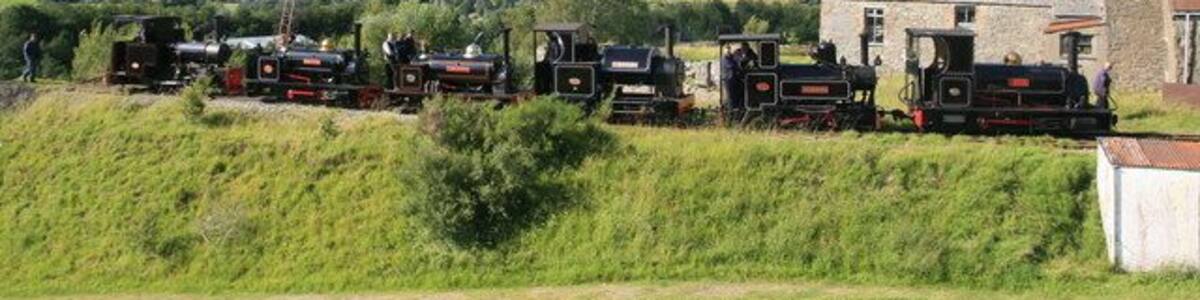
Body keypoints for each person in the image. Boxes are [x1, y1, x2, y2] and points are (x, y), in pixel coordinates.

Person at [721, 44, 743, 114]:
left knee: (737, 95)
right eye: (726, 49)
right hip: (728, 80)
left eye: (729, 49)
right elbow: (732, 67)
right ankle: (730, 113)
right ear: (724, 51)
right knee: (730, 97)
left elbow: (736, 65)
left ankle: (738, 108)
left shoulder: (731, 58)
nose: (728, 51)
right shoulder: (724, 59)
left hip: (734, 80)